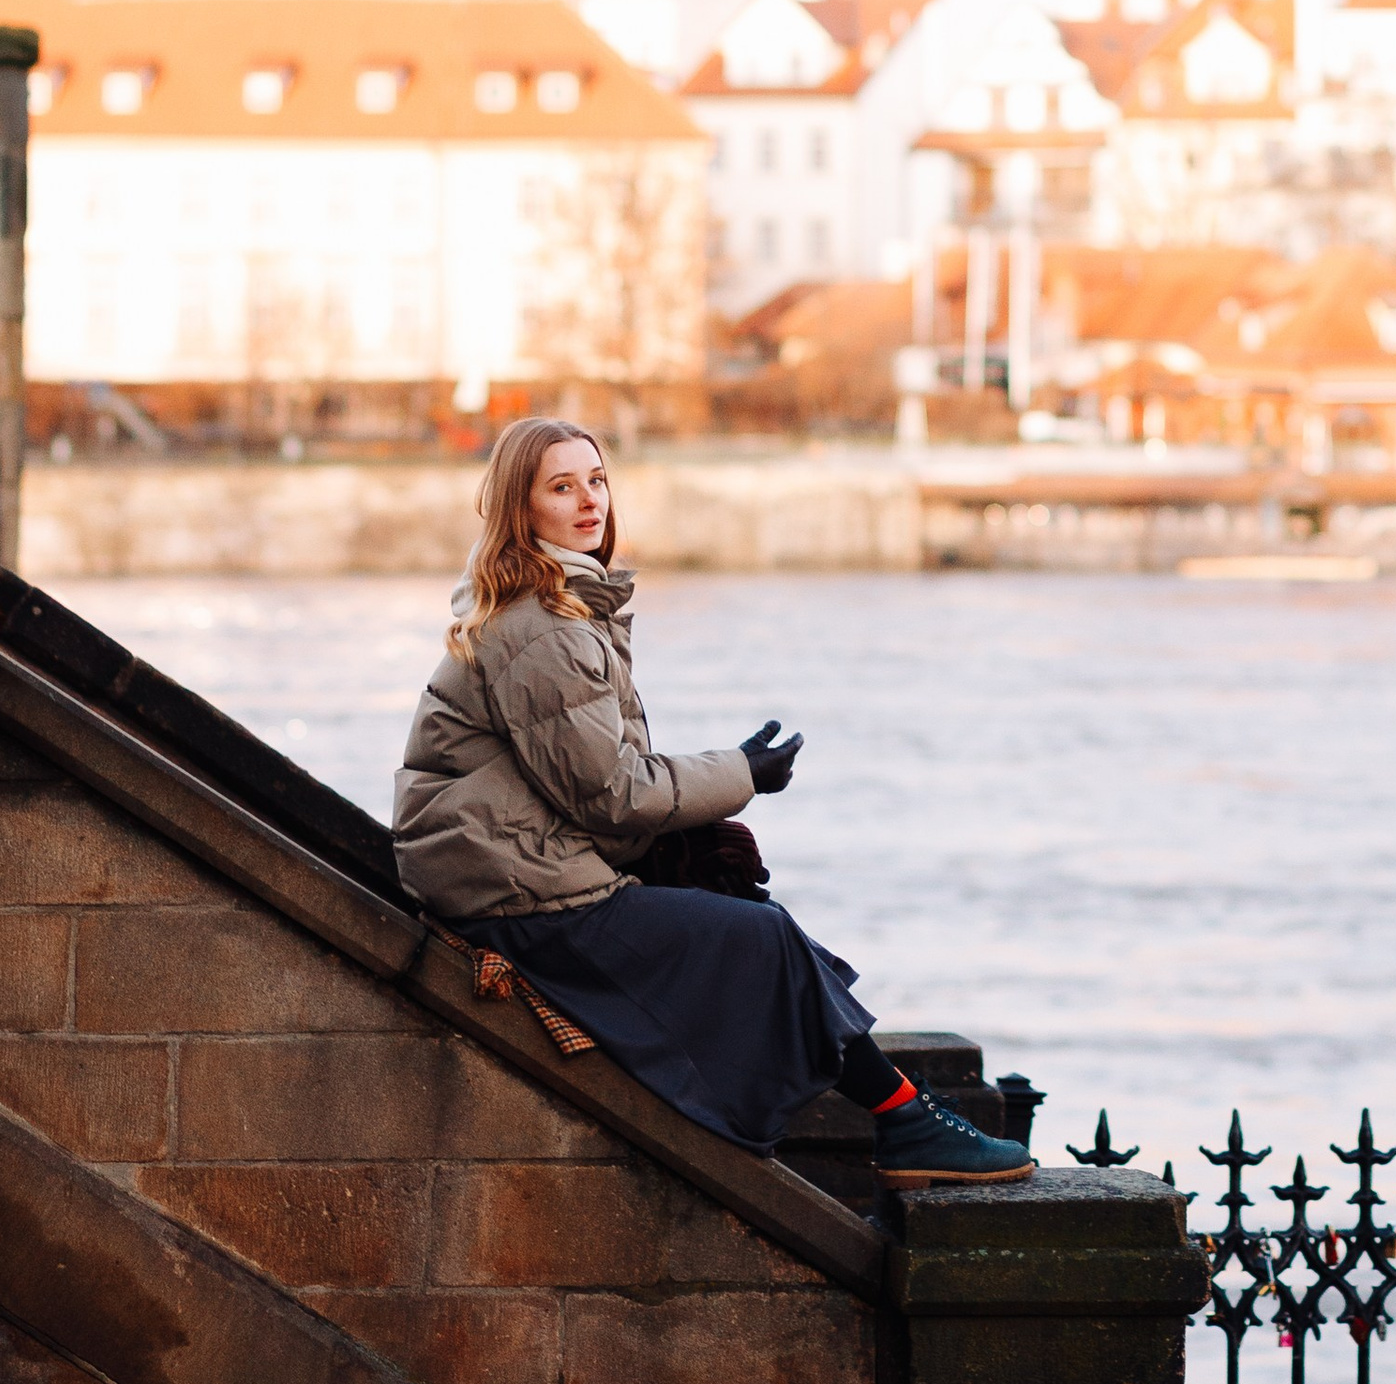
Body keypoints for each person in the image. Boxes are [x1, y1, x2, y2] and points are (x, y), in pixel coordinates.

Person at [393, 414, 1035, 1185]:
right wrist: (743, 775)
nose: (589, 501)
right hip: (518, 904)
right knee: (759, 941)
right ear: (520, 510)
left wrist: (692, 821)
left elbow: (583, 781)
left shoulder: (554, 607)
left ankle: (908, 1117)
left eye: (596, 480)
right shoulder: (541, 627)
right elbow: (611, 794)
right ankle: (908, 1122)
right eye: (561, 487)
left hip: (517, 876)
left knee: (757, 926)